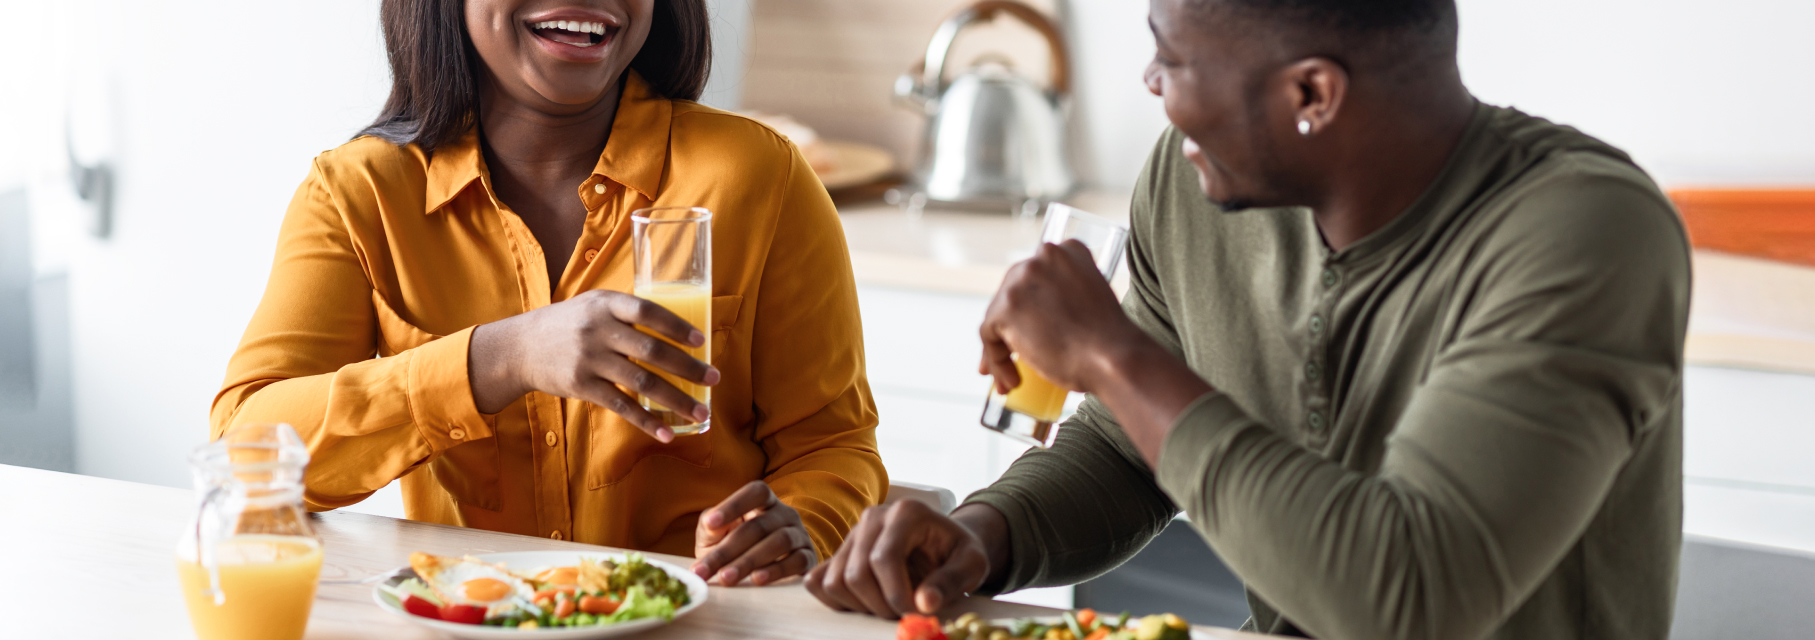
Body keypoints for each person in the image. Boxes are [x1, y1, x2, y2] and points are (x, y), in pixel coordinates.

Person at [807, 0, 1688, 638]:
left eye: (1173, 59)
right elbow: (1132, 451)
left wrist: (1111, 354)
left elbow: (1410, 598)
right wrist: (981, 536)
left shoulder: (1582, 233)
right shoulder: (1196, 184)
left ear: (1311, 93)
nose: (1151, 83)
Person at [213, 0, 886, 588]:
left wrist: (802, 525)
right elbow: (246, 452)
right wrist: (499, 358)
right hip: (469, 615)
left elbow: (834, 447)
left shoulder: (755, 176)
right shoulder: (359, 195)